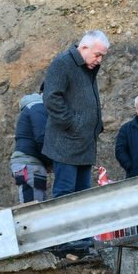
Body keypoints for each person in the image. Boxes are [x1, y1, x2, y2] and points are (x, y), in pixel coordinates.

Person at [42, 30, 110, 197]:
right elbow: (51, 98)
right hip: (66, 144)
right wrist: (74, 124)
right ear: (84, 47)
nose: (99, 60)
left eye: (102, 56)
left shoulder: (86, 67)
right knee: (65, 195)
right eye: (97, 55)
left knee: (83, 197)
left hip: (84, 144)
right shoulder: (63, 64)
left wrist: (94, 127)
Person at [9, 87, 51, 203]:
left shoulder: (33, 108)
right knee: (32, 210)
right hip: (29, 164)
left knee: (36, 207)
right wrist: (51, 162)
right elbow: (41, 137)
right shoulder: (37, 106)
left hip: (30, 163)